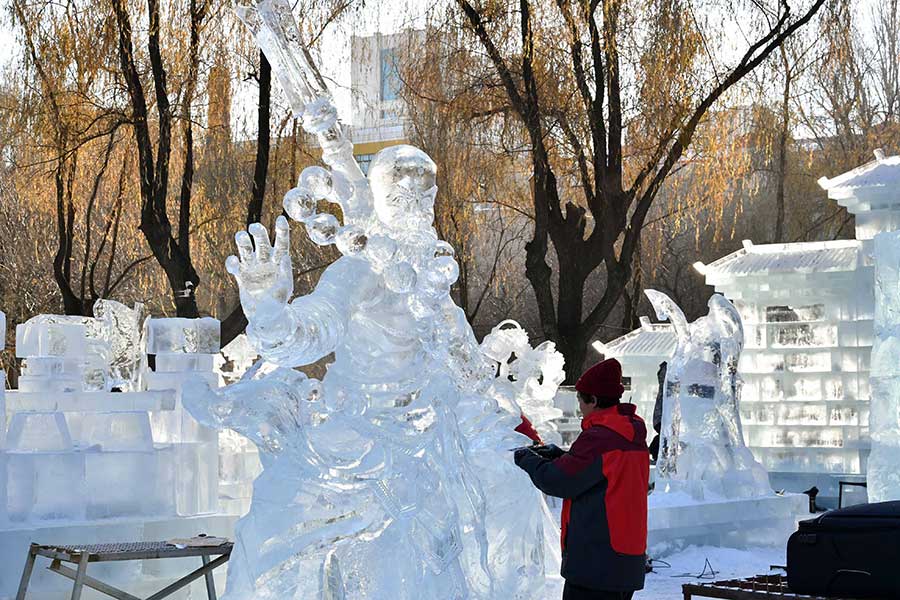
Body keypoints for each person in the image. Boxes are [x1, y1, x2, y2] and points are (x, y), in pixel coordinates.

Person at [514, 358, 650, 600]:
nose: (579, 408)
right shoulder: (629, 434)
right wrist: (560, 455)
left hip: (596, 561)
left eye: (580, 400)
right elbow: (600, 473)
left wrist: (525, 457)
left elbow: (558, 481)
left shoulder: (600, 438)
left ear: (594, 400)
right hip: (625, 558)